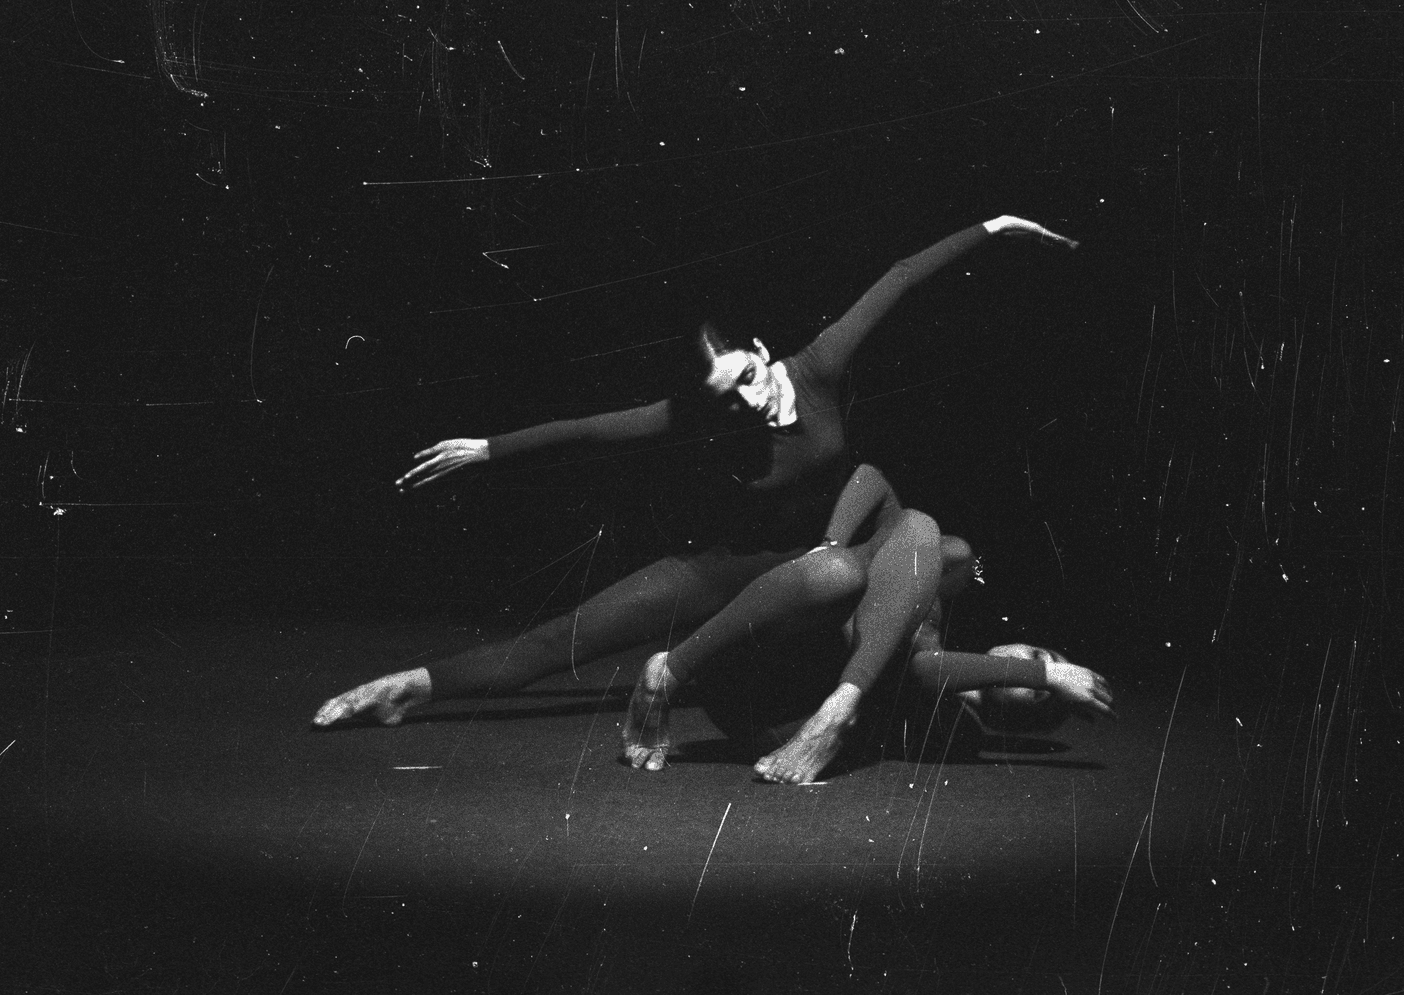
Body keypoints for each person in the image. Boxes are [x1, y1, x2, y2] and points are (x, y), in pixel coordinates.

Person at [312, 213, 1079, 734]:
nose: (747, 401)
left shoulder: (819, 366)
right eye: (727, 398)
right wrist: (487, 448)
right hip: (724, 570)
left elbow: (902, 276)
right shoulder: (704, 416)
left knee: (854, 610)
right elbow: (590, 430)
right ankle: (410, 686)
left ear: (759, 350)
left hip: (822, 570)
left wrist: (994, 227)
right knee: (561, 640)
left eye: (746, 377)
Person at [621, 464, 1115, 783]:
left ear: (1018, 721)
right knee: (861, 562)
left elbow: (924, 670)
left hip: (770, 713)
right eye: (1037, 654)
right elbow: (871, 478)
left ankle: (836, 704)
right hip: (754, 654)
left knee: (906, 543)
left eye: (1040, 692)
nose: (1031, 666)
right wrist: (830, 544)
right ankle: (669, 671)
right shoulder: (930, 602)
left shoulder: (962, 727)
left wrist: (1048, 675)